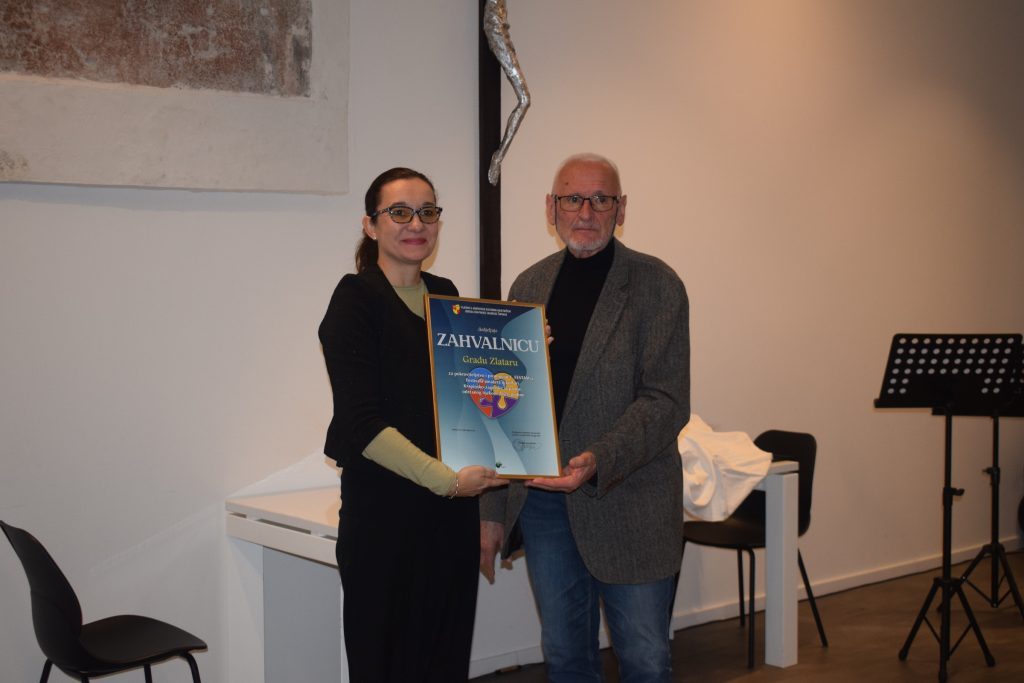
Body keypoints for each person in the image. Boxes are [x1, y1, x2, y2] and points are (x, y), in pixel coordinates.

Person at [480, 153, 690, 682]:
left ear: (622, 208)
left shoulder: (657, 285)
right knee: (565, 657)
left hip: (632, 501)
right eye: (573, 198)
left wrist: (597, 458)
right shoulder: (528, 286)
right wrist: (492, 512)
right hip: (545, 505)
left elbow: (666, 401)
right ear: (551, 208)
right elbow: (503, 404)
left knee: (645, 661)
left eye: (601, 199)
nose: (587, 212)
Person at [320, 167, 507, 682]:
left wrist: (523, 357)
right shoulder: (355, 299)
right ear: (371, 225)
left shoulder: (446, 295)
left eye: (427, 211)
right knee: (386, 667)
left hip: (449, 521)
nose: (416, 223)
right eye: (399, 212)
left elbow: (470, 395)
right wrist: (447, 481)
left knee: (444, 663)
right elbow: (362, 425)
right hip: (385, 522)